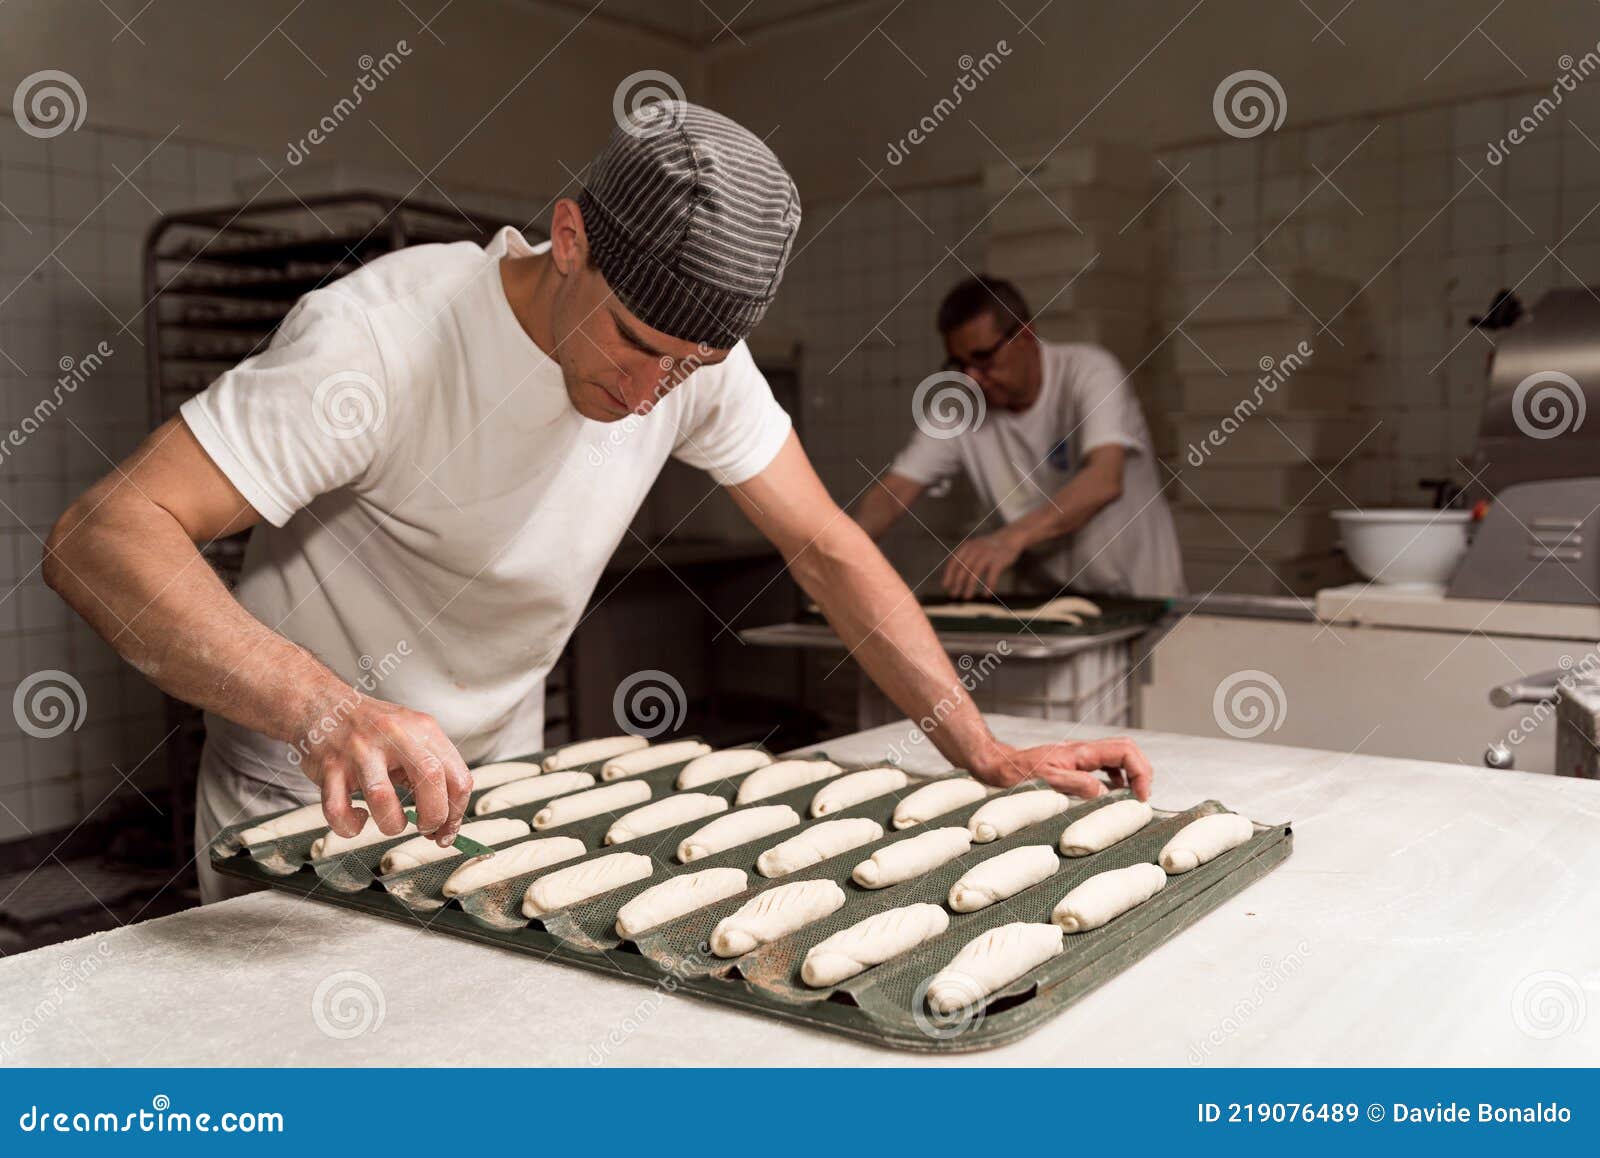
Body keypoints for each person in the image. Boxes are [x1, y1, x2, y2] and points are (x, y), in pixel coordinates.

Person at [43, 103, 1153, 903]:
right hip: (304, 804)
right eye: (634, 344)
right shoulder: (380, 339)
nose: (645, 395)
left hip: (500, 796)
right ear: (567, 239)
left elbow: (822, 543)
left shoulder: (689, 365)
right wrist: (326, 709)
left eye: (687, 365)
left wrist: (981, 752)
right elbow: (101, 538)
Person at [852, 275, 1184, 600]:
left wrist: (1009, 539)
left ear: (1026, 335)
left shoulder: (1090, 372)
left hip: (1140, 597)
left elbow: (1104, 481)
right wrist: (839, 555)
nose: (973, 378)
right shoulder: (960, 408)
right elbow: (895, 491)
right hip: (1048, 608)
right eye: (960, 364)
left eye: (984, 359)